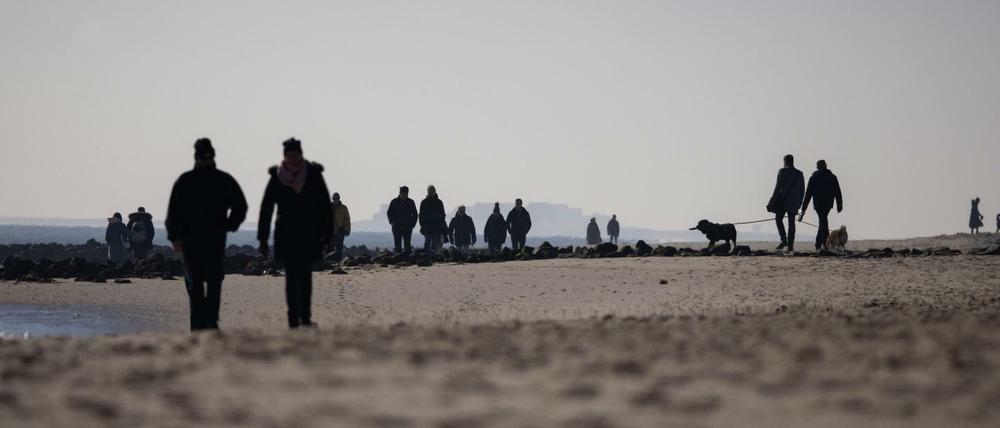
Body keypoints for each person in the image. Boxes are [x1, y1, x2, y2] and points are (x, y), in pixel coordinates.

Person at [165, 138, 248, 331]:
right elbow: (173, 213)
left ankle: (210, 323)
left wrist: (229, 225)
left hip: (214, 240)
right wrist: (175, 237)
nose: (206, 160)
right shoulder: (185, 181)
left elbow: (240, 206)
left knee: (214, 282)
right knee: (194, 285)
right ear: (196, 158)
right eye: (203, 157)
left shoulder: (223, 179)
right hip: (190, 242)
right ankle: (198, 326)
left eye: (209, 157)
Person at [258, 138, 332, 329]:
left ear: (301, 154)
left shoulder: (313, 174)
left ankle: (305, 317)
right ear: (285, 156)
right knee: (291, 277)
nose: (293, 159)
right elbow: (266, 208)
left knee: (305, 276)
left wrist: (328, 236)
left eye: (295, 155)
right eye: (289, 155)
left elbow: (324, 206)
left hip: (309, 232)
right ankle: (292, 318)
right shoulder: (277, 176)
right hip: (286, 234)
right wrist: (263, 238)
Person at [800, 160, 843, 250]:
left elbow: (808, 194)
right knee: (823, 221)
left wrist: (803, 209)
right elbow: (838, 192)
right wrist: (839, 204)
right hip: (828, 203)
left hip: (818, 204)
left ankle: (823, 243)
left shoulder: (814, 177)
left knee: (823, 221)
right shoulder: (832, 177)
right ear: (826, 166)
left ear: (817, 167)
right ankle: (821, 243)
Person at [768, 154, 805, 252]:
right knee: (791, 223)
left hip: (782, 202)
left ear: (785, 161)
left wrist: (771, 202)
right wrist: (799, 203)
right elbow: (802, 191)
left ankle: (784, 240)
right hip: (794, 203)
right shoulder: (799, 174)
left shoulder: (782, 171)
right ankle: (790, 245)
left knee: (778, 219)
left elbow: (777, 188)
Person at [387, 186, 418, 253]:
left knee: (407, 244)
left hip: (407, 226)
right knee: (397, 244)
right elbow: (389, 213)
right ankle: (398, 259)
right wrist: (392, 222)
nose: (404, 195)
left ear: (407, 194)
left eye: (405, 194)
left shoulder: (411, 202)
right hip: (396, 226)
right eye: (402, 193)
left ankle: (408, 259)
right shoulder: (394, 201)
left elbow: (415, 214)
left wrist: (412, 224)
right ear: (400, 193)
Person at [419, 185, 447, 251]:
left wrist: (440, 222)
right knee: (427, 241)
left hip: (436, 226)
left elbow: (443, 214)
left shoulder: (439, 202)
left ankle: (434, 257)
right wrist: (422, 224)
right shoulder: (424, 202)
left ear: (435, 192)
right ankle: (427, 255)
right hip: (427, 226)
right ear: (428, 192)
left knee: (436, 243)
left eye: (432, 191)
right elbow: (421, 214)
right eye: (430, 191)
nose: (431, 193)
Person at [329, 192, 351, 261]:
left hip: (341, 230)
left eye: (337, 198)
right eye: (334, 199)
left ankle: (338, 260)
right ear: (332, 199)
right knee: (331, 246)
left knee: (339, 247)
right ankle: (331, 261)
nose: (336, 200)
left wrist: (347, 230)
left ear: (339, 199)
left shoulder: (343, 208)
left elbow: (347, 219)